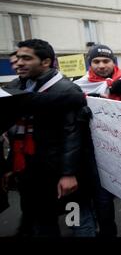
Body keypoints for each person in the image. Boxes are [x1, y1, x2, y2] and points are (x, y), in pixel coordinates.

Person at [2, 39, 94, 236]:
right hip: (28, 171)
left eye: (26, 58)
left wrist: (68, 173)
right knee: (41, 221)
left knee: (75, 219)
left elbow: (74, 135)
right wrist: (11, 166)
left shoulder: (66, 88)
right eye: (17, 58)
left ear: (45, 62)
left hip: (60, 172)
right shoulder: (15, 85)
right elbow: (15, 131)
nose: (18, 63)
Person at [74, 44, 121, 237]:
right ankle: (108, 233)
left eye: (106, 61)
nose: (101, 65)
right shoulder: (79, 86)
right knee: (102, 199)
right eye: (96, 61)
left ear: (113, 62)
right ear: (90, 63)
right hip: (97, 151)